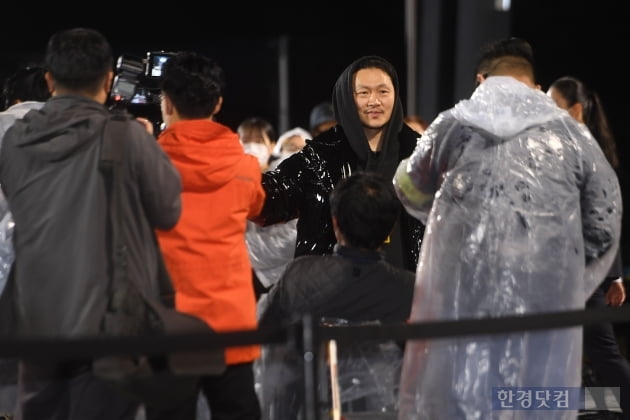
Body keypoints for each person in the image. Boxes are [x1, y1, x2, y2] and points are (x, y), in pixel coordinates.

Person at [393, 53, 622, 419]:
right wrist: (574, 276)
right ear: (532, 84)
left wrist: (443, 220)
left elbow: (408, 186)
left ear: (482, 80)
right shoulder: (570, 133)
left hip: (466, 291)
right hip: (543, 294)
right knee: (535, 390)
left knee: (470, 386)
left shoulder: (453, 124)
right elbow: (605, 215)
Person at [0, 27, 182, 420]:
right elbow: (169, 211)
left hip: (36, 318)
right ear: (109, 79)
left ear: (49, 80)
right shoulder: (128, 137)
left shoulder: (13, 141)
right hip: (110, 321)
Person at [151, 51, 265, 420]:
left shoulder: (145, 166)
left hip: (169, 324)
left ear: (166, 102)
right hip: (230, 323)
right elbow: (256, 207)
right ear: (218, 103)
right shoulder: (246, 168)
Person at [258, 171, 415, 419]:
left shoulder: (299, 275)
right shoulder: (409, 288)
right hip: (386, 410)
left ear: (335, 223)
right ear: (391, 227)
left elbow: (268, 340)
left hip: (307, 407)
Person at [252, 55, 424, 273]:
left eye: (383, 91)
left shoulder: (421, 153)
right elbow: (274, 196)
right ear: (346, 97)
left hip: (407, 291)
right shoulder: (320, 155)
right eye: (363, 93)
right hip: (334, 290)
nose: (374, 101)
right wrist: (237, 174)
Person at [548, 75, 630, 417]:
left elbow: (604, 221)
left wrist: (611, 275)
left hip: (578, 271)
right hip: (581, 270)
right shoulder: (584, 148)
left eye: (553, 106)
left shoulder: (579, 152)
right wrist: (614, 275)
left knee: (602, 351)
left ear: (576, 110)